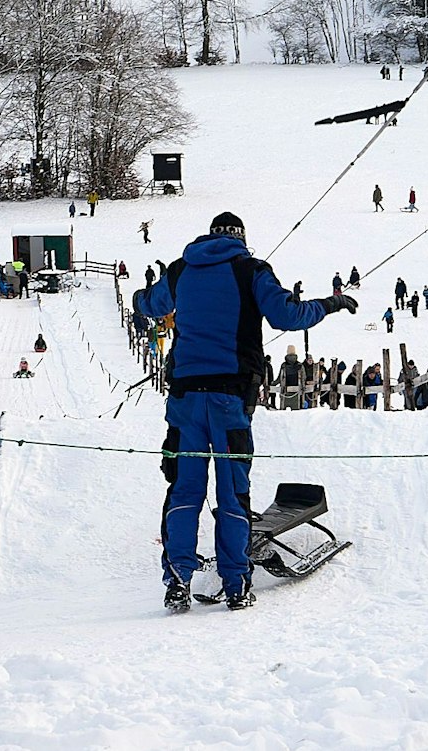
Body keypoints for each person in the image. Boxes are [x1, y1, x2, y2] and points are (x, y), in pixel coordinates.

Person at [134, 212, 355, 613]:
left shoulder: (182, 269)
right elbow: (288, 316)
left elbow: (150, 304)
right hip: (232, 396)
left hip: (184, 397)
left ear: (209, 235)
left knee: (183, 489)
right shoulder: (252, 270)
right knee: (232, 490)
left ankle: (178, 580)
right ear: (241, 238)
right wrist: (331, 303)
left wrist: (139, 298)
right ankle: (235, 584)